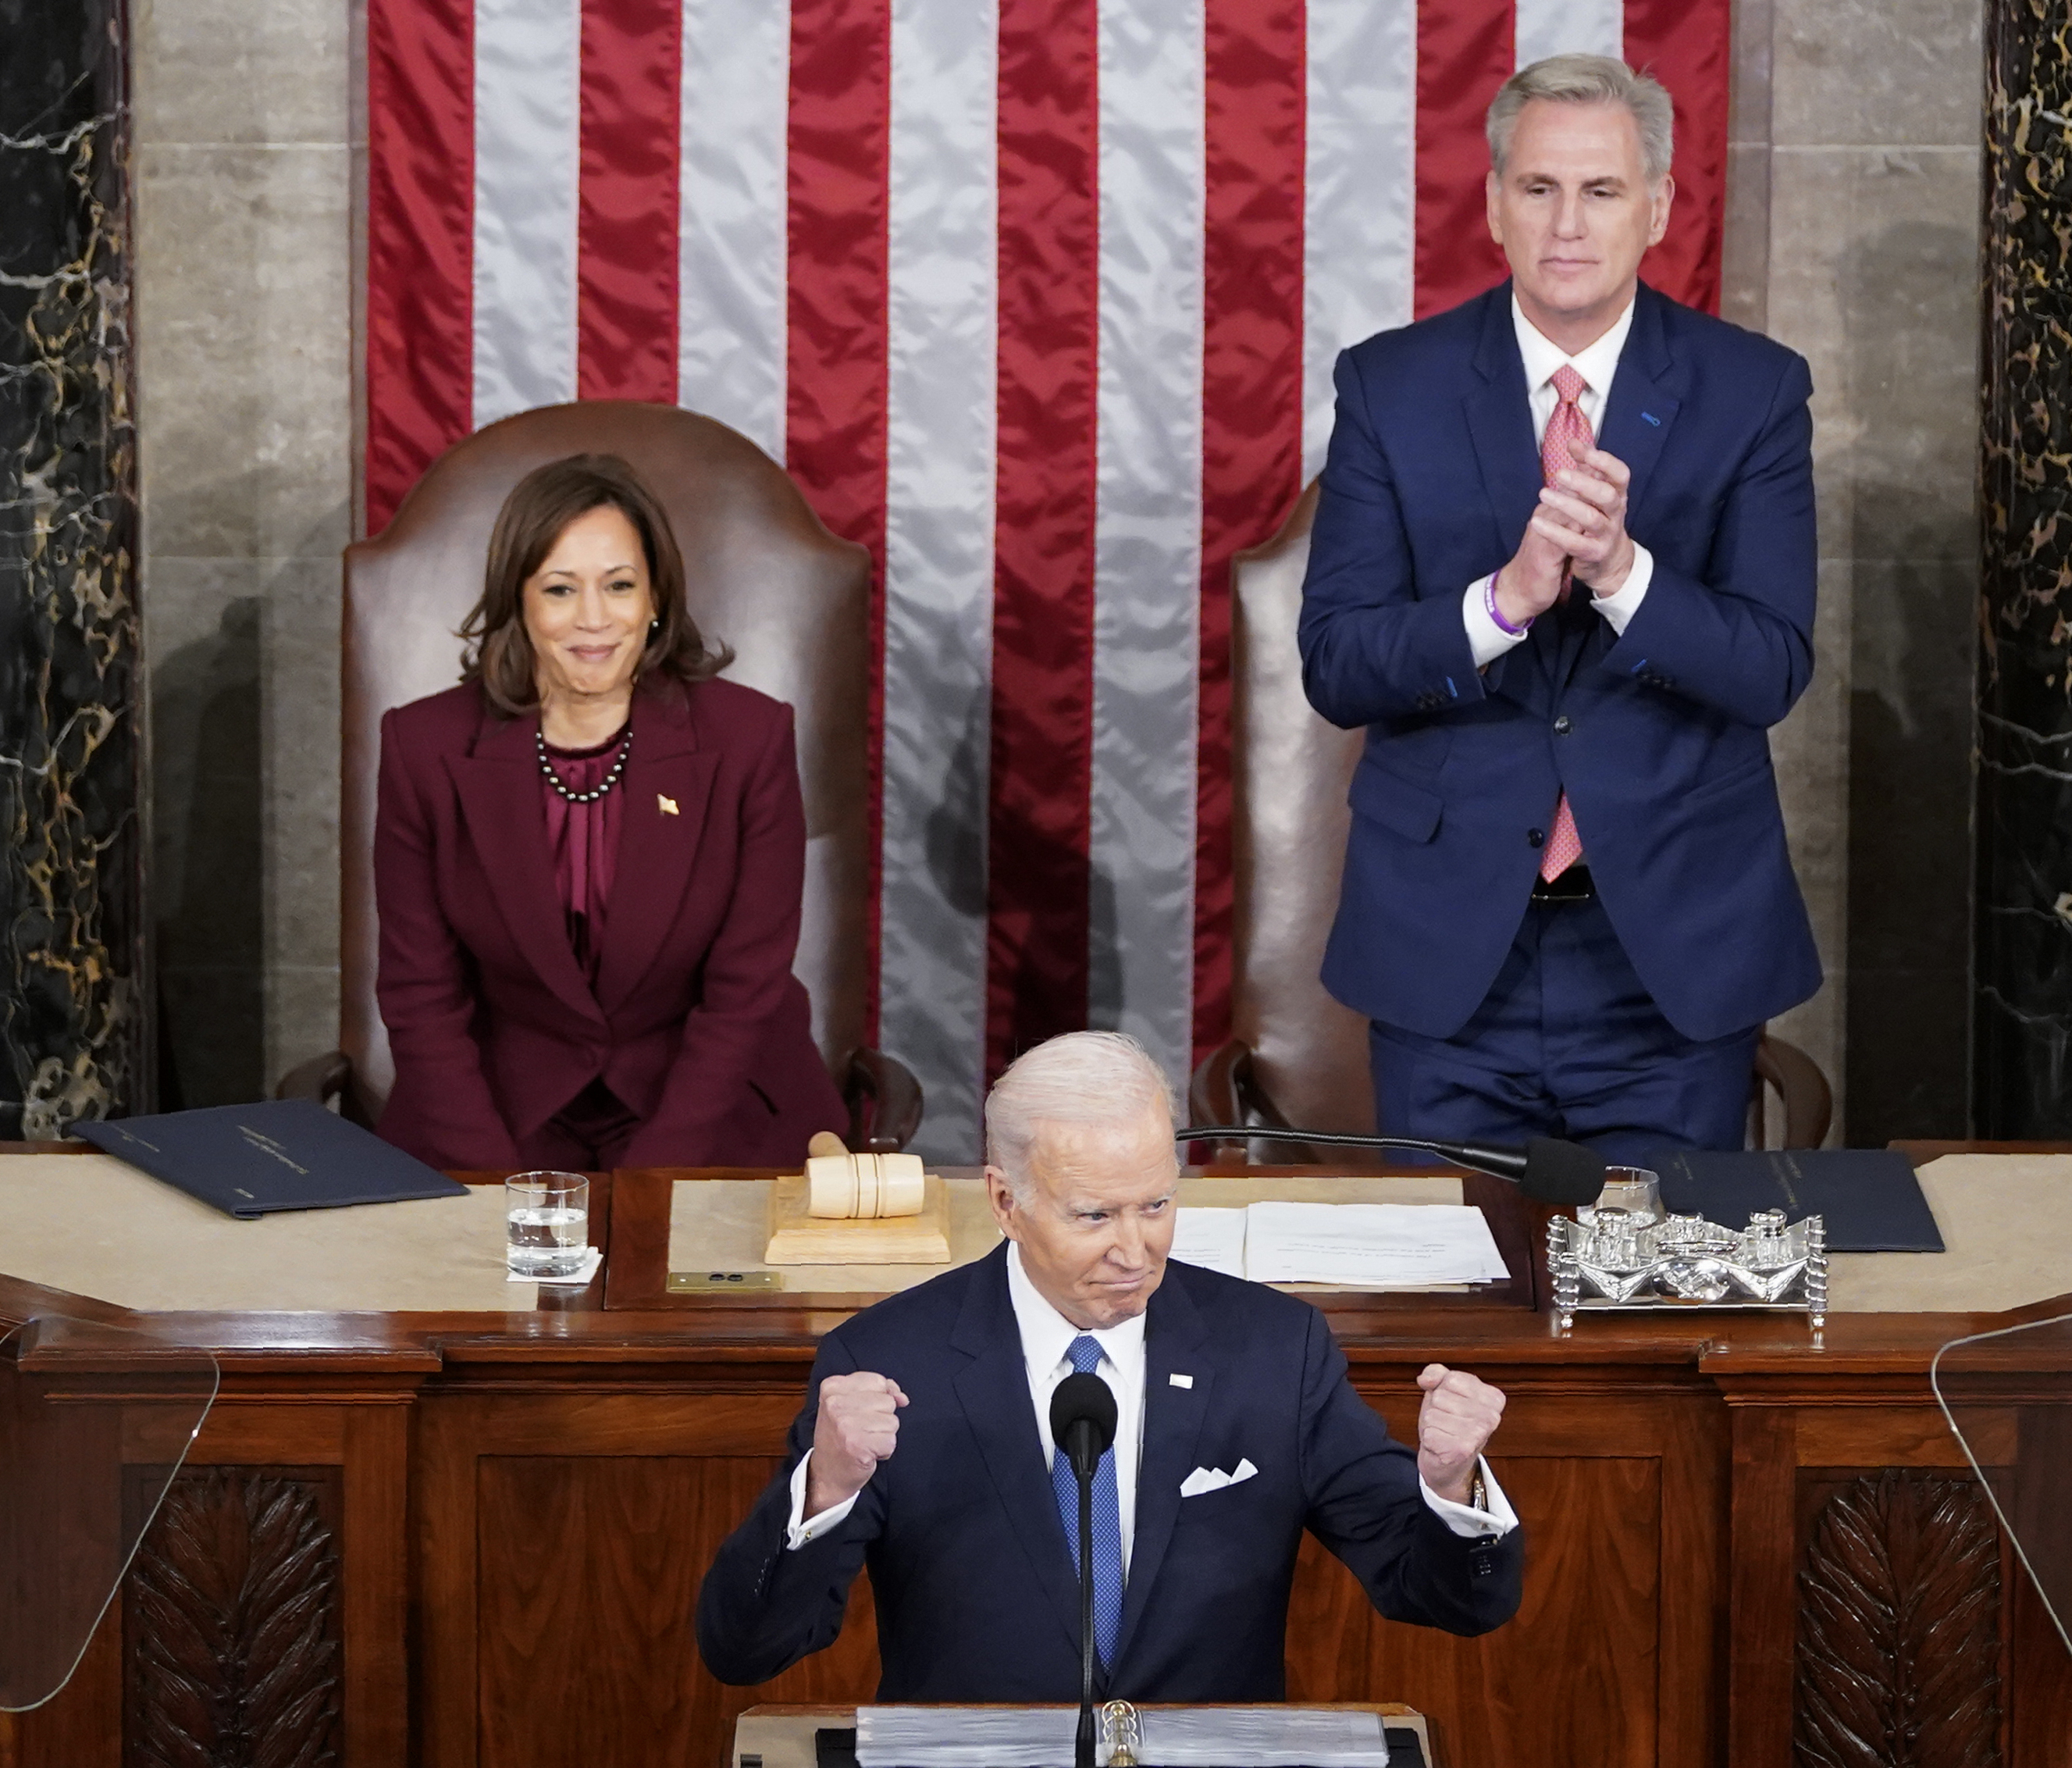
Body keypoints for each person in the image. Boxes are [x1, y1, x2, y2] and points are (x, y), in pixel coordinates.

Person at [1298, 55, 1821, 1165]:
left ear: (1659, 208)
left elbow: (1771, 667)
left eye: (1601, 191)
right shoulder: (1388, 386)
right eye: (1537, 189)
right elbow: (1336, 663)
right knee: (1444, 1317)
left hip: (1668, 960)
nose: (1567, 224)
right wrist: (1505, 600)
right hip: (1450, 958)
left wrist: (1624, 575)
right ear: (1492, 205)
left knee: (1664, 1320)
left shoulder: (1753, 390)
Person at [694, 1032, 1523, 1702]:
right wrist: (826, 1486)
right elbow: (744, 1649)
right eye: (1095, 1214)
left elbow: (1449, 1598)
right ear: (1004, 1199)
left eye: (1157, 1204)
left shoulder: (1273, 1348)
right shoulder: (888, 1358)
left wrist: (1451, 1486)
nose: (1136, 1250)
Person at [372, 452, 847, 1171]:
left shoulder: (750, 739)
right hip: (500, 1110)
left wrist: (652, 1184)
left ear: (655, 596)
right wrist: (500, 1188)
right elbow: (420, 996)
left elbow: (745, 993)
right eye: (560, 589)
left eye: (619, 585)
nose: (593, 621)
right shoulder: (424, 746)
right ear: (519, 601)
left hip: (714, 1110)